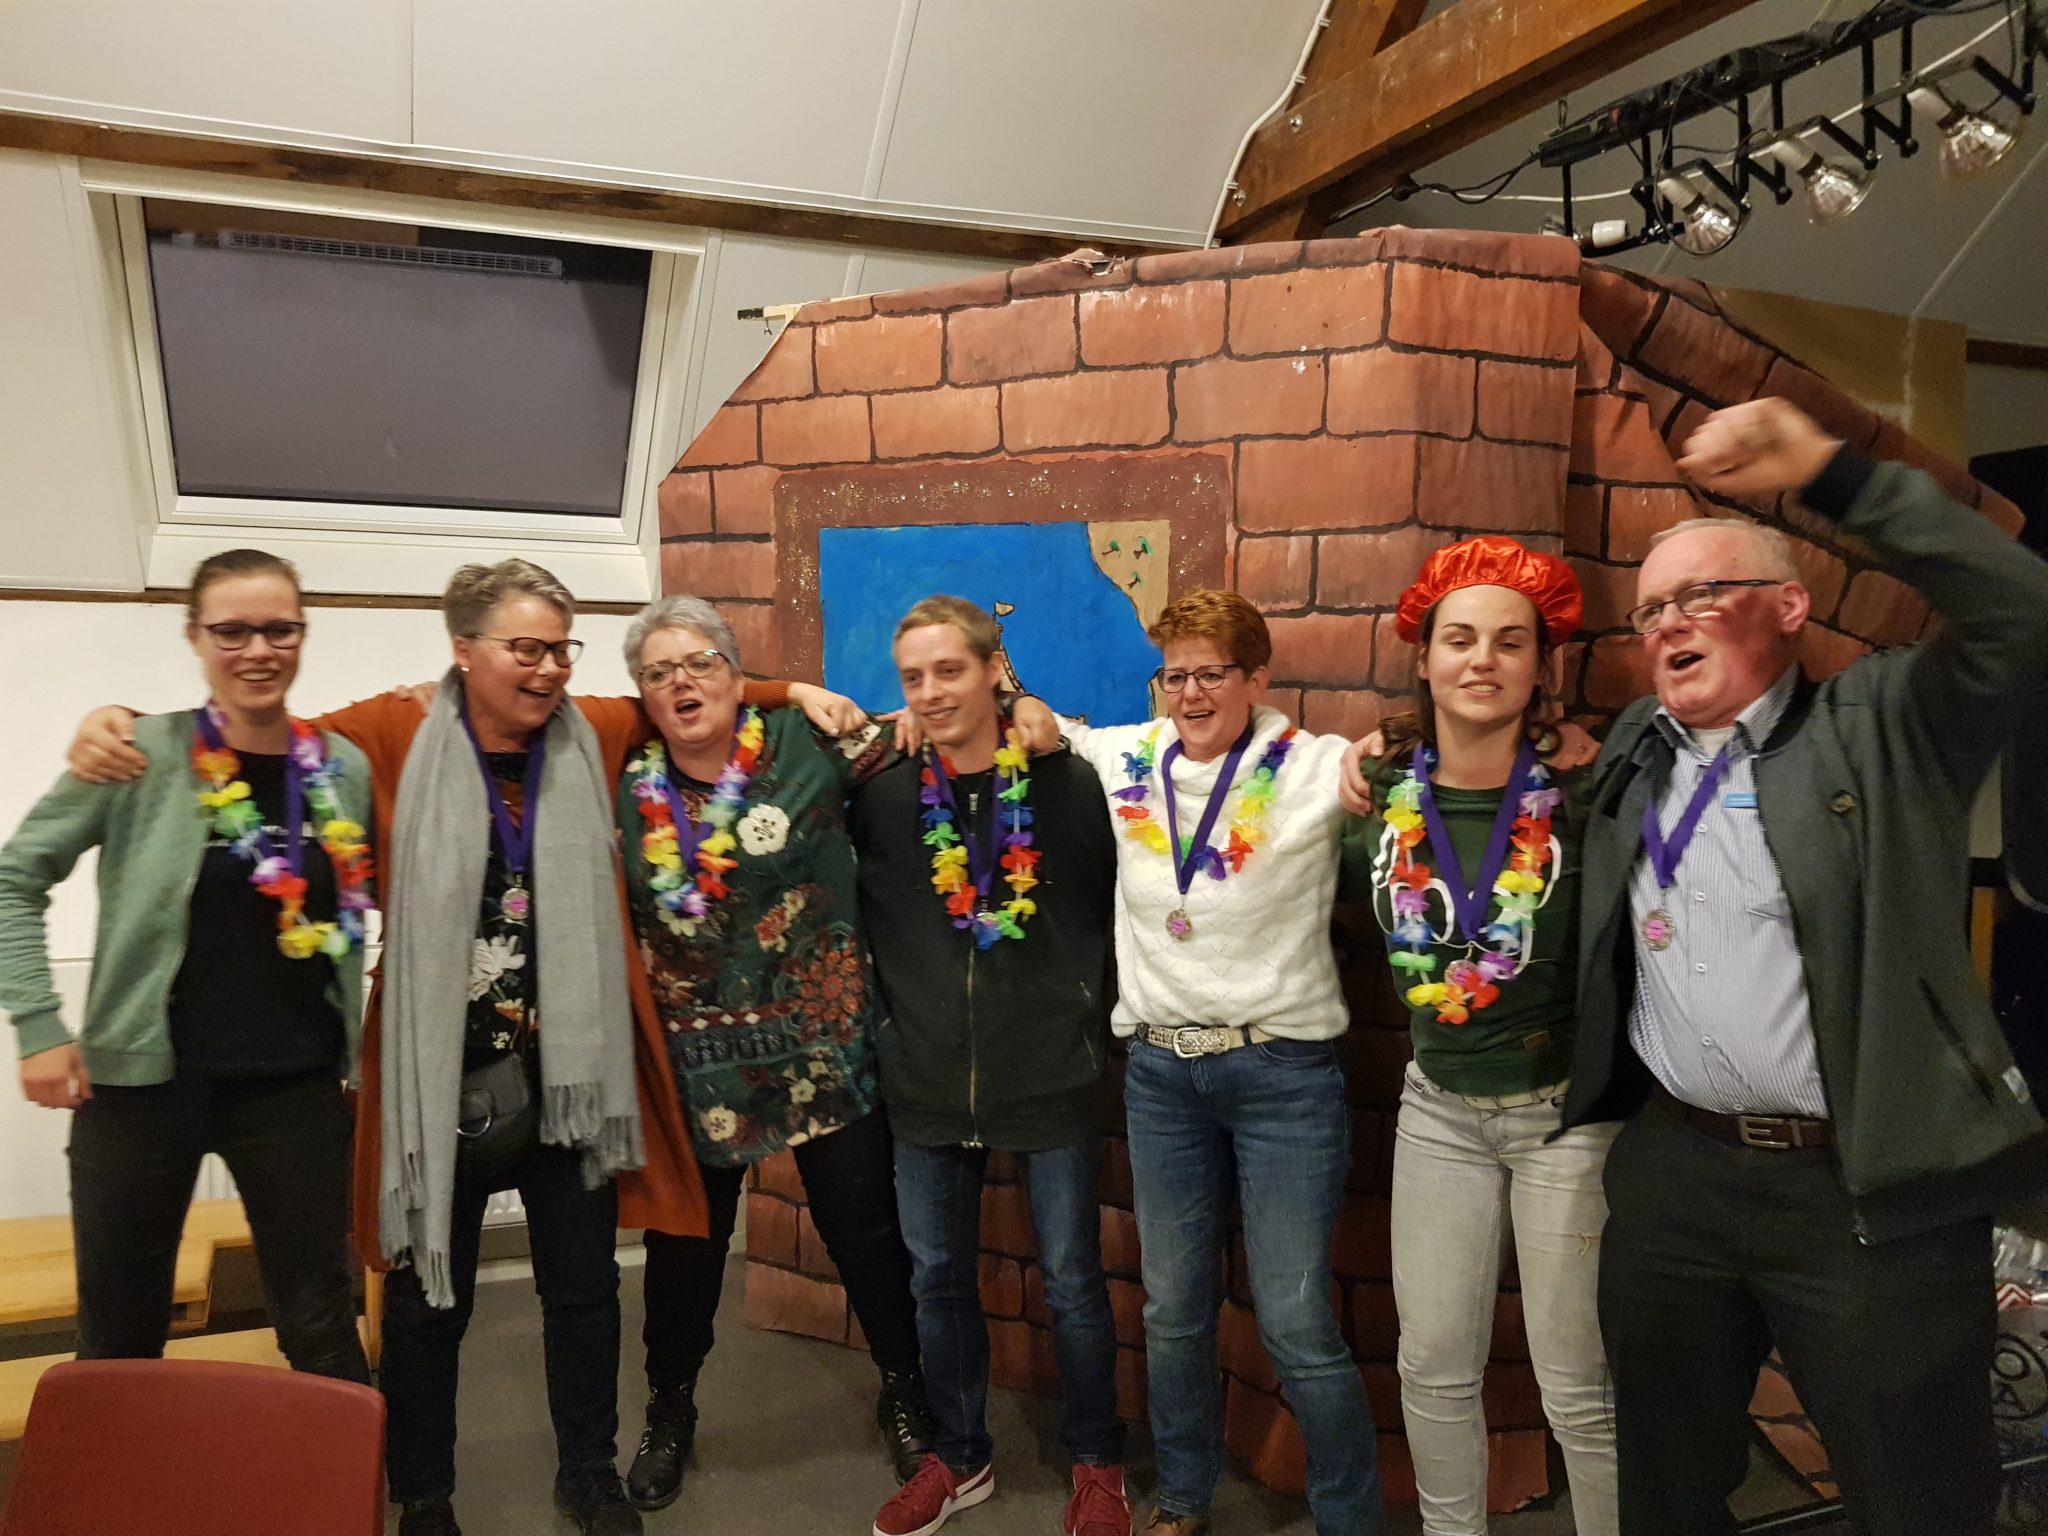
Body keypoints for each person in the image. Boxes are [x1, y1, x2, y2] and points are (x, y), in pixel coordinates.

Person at [61, 560, 830, 1536]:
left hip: (571, 1078)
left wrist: (790, 691)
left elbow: (689, 695)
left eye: (561, 649)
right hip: (437, 1083)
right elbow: (258, 738)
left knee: (586, 1292)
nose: (549, 669)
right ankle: (425, 1494)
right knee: (428, 1300)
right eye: (526, 649)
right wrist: (128, 723)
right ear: (464, 650)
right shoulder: (391, 732)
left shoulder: (590, 729)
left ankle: (588, 1472)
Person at [1557, 398, 2048, 1536]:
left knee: (1918, 1499)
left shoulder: (1885, 725)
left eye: (1700, 595)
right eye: (1650, 609)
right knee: (1665, 1492)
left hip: (1863, 1196)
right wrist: (1385, 760)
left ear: (1788, 607)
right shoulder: (1636, 748)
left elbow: (2022, 608)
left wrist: (1832, 474)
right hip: (1676, 1176)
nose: (1667, 623)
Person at [1016, 589, 1383, 1536]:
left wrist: (1390, 755)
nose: (1189, 693)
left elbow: (1390, 767)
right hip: (1162, 1079)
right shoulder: (1128, 757)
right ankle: (1182, 1495)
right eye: (1174, 674)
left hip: (1282, 1078)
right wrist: (1028, 714)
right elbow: (1051, 727)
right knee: (1174, 1308)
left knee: (1295, 1319)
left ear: (1257, 678)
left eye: (1211, 673)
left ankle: (1350, 1518)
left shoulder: (1309, 766)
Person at [0, 549, 374, 1384]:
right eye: (232, 631)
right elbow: (13, 879)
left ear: (302, 634)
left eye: (279, 629)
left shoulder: (340, 769)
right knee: (120, 1337)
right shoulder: (137, 753)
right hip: (140, 1096)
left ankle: (349, 1468)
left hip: (297, 1091)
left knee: (319, 1325)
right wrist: (38, 1025)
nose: (258, 650)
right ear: (195, 637)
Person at [610, 595, 935, 1511]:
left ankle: (904, 1390)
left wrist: (1021, 710)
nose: (682, 684)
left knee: (865, 1234)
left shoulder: (805, 742)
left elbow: (923, 734)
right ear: (642, 693)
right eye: (659, 672)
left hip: (823, 1053)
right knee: (685, 1253)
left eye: (700, 663)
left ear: (735, 672)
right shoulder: (622, 774)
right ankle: (670, 1410)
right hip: (695, 1073)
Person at [1337, 539, 1619, 1536]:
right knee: (1431, 1365)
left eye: (1509, 641)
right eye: (1457, 639)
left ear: (1543, 665)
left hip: (1563, 1118)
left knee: (1577, 1383)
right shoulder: (1375, 797)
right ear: (1422, 658)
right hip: (1437, 1113)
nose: (1482, 660)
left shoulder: (1585, 794)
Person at [851, 596, 1128, 1536]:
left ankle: (1097, 1460)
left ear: (992, 669)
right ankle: (961, 1456)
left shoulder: (1065, 782)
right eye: (914, 677)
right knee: (936, 1280)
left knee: (1072, 1281)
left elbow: (1106, 905)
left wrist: (1080, 1015)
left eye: (950, 670)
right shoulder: (884, 793)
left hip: (1047, 1072)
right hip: (926, 1078)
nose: (932, 692)